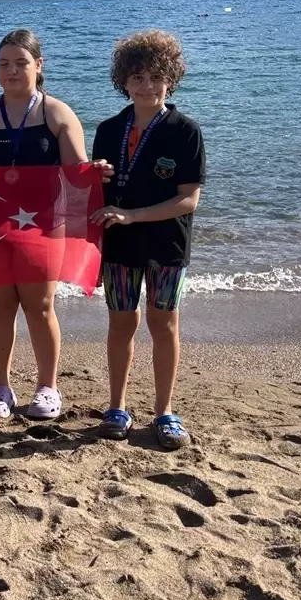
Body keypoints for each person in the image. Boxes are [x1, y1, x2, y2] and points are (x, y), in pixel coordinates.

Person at [0, 28, 104, 421]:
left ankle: (47, 387)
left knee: (40, 306)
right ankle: (0, 387)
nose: (11, 71)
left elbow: (76, 172)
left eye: (20, 63)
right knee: (0, 306)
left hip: (43, 225)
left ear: (38, 66)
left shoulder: (56, 113)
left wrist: (96, 170)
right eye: (4, 63)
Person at [90, 29, 205, 450]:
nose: (146, 86)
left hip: (167, 245)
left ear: (170, 80)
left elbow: (188, 200)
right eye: (137, 77)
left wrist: (134, 215)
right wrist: (94, 175)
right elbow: (95, 193)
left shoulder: (185, 131)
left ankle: (164, 411)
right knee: (121, 324)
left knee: (164, 325)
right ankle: (117, 407)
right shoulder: (108, 130)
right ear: (123, 80)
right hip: (119, 245)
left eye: (156, 77)